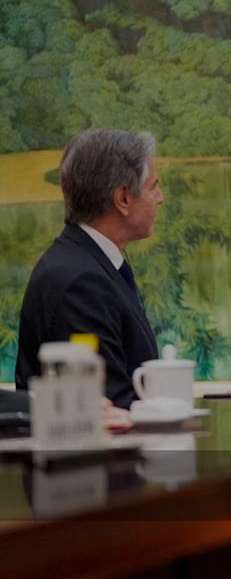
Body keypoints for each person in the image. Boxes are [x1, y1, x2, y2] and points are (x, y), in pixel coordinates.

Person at [16, 129, 164, 408]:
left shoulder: (89, 263)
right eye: (153, 187)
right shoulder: (81, 283)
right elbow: (110, 404)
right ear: (123, 199)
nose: (160, 198)